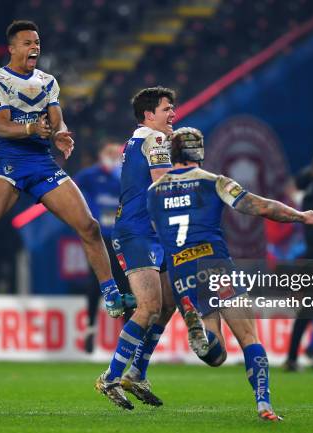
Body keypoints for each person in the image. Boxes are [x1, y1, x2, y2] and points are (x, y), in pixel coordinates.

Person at [0, 21, 128, 319]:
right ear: (12, 48)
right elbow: (1, 126)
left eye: (36, 42)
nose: (34, 47)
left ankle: (112, 296)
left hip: (42, 164)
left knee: (89, 226)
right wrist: (31, 127)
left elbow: (57, 119)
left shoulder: (48, 81)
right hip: (10, 164)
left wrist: (61, 134)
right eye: (27, 42)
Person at [147, 127, 313, 421]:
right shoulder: (214, 182)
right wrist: (300, 215)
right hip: (215, 266)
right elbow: (261, 207)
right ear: (198, 151)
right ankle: (263, 403)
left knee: (217, 356)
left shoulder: (153, 193)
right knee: (248, 336)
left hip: (181, 272)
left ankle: (200, 331)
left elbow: (155, 232)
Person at [95, 87, 205, 410]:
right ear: (148, 115)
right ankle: (111, 376)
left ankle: (137, 373)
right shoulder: (155, 140)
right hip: (139, 232)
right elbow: (161, 184)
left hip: (151, 232)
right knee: (148, 307)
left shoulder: (136, 140)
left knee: (168, 302)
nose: (174, 114)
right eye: (167, 109)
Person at [75, 140, 132, 353]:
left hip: (120, 238)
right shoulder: (90, 176)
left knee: (124, 283)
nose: (112, 156)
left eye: (116, 153)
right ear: (101, 154)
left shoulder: (124, 176)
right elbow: (72, 189)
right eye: (109, 152)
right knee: (95, 281)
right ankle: (90, 328)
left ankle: (127, 332)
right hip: (97, 239)